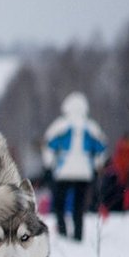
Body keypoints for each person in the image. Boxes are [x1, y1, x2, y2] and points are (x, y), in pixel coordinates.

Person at [42, 91, 107, 241]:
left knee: (59, 205)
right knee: (79, 207)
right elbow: (101, 147)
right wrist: (98, 165)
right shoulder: (91, 127)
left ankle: (63, 233)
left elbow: (49, 145)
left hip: (62, 173)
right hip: (84, 173)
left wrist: (49, 165)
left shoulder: (61, 125)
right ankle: (78, 235)